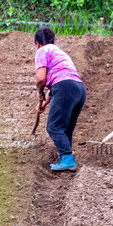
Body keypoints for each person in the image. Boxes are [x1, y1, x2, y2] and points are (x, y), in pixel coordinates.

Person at [34, 26, 86, 172]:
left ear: (37, 44)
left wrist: (39, 92)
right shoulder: (59, 52)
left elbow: (41, 79)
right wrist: (44, 103)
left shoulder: (41, 51)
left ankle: (67, 158)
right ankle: (64, 159)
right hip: (79, 89)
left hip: (65, 88)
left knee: (53, 127)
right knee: (65, 129)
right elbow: (60, 83)